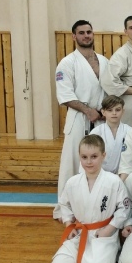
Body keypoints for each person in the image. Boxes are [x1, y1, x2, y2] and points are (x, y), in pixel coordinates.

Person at [48, 135, 129, 263]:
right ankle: (81, 262)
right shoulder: (72, 182)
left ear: (103, 155)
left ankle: (107, 254)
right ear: (79, 156)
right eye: (84, 157)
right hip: (79, 233)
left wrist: (109, 230)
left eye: (94, 156)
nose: (89, 161)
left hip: (103, 234)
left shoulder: (114, 181)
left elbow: (124, 208)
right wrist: (69, 224)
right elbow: (64, 204)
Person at [53, 20, 108, 220]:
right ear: (74, 36)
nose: (86, 35)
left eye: (89, 32)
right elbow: (65, 95)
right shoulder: (67, 63)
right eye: (82, 32)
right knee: (72, 163)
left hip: (101, 118)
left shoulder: (103, 61)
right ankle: (65, 209)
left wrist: (105, 109)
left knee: (99, 162)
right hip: (78, 118)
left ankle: (96, 207)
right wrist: (87, 110)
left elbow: (111, 88)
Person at [90, 95, 131, 174]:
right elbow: (89, 156)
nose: (114, 113)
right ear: (103, 112)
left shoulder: (130, 131)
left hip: (124, 174)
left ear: (123, 111)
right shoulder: (96, 132)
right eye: (110, 110)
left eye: (117, 110)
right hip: (100, 175)